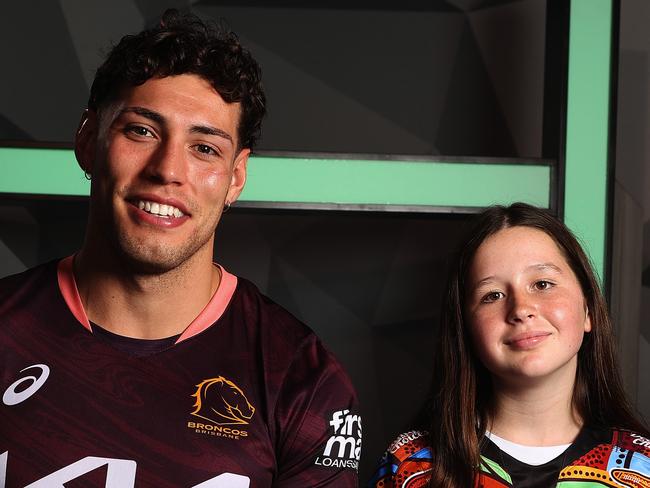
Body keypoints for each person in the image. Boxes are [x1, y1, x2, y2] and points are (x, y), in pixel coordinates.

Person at [0, 10, 361, 487]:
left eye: (205, 148)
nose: (168, 169)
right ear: (89, 140)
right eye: (141, 131)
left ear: (235, 178)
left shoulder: (301, 379)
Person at [369, 203, 650, 487]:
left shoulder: (642, 467)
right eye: (493, 295)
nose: (521, 309)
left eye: (542, 284)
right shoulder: (412, 464)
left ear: (588, 309)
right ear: (465, 326)